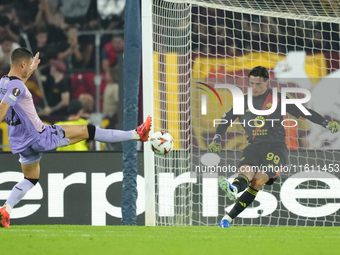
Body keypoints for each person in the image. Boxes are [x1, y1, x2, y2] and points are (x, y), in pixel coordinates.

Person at [0, 47, 152, 228]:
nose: (30, 68)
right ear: (23, 63)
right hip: (39, 136)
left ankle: (6, 209)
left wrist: (29, 72)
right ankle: (137, 134)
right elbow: (4, 106)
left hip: (20, 142)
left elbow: (16, 89)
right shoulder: (16, 87)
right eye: (28, 65)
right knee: (89, 131)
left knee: (31, 178)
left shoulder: (4, 82)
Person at [208, 66, 339, 228]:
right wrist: (217, 139)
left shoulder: (279, 98)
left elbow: (305, 112)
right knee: (246, 172)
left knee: (258, 180)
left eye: (257, 84)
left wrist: (325, 122)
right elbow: (225, 121)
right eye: (251, 84)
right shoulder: (243, 100)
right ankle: (232, 194)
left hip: (276, 148)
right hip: (254, 146)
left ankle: (229, 216)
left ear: (266, 83)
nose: (254, 87)